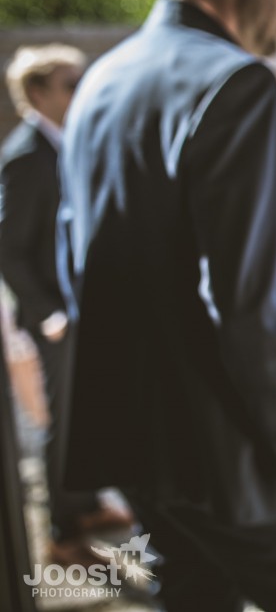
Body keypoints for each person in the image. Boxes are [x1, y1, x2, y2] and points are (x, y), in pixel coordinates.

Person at [58, 0, 276, 610]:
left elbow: (74, 256)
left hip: (139, 449)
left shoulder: (99, 80)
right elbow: (246, 307)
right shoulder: (237, 81)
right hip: (233, 461)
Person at [1, 44, 135, 563]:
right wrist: (49, 315)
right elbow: (9, 248)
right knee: (64, 420)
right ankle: (61, 534)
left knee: (89, 410)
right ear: (37, 93)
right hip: (56, 318)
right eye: (70, 83)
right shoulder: (27, 155)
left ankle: (86, 502)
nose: (81, 91)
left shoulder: (65, 141)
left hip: (82, 310)